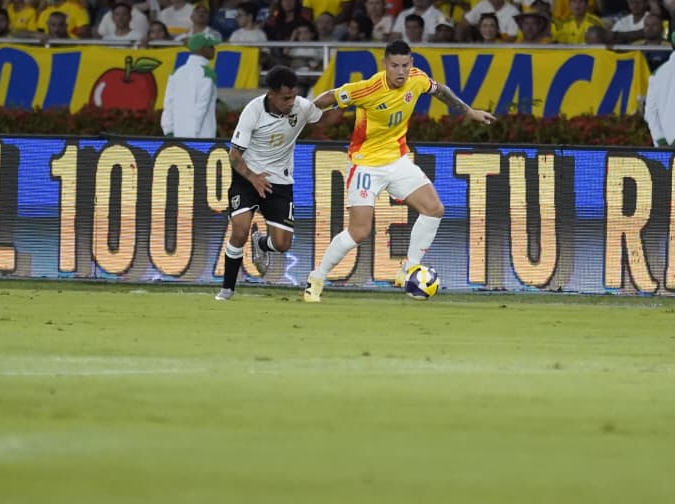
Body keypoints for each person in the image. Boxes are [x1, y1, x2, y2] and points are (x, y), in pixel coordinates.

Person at [303, 40, 496, 302]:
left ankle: (409, 269)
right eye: (394, 65)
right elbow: (331, 97)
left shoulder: (417, 79)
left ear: (412, 64)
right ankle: (317, 277)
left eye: (405, 65)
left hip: (397, 159)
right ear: (385, 65)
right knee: (359, 232)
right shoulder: (368, 88)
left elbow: (441, 90)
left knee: (434, 208)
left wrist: (469, 111)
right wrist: (304, 114)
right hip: (366, 165)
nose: (400, 71)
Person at [218, 66, 333, 301]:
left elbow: (323, 117)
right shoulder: (253, 111)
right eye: (285, 98)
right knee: (239, 230)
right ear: (271, 94)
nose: (291, 102)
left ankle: (260, 243)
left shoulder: (300, 106)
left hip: (279, 181)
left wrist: (350, 99)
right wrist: (253, 178)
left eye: (294, 96)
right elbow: (234, 155)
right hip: (247, 178)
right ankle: (227, 289)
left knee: (282, 244)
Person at [160, 32, 218, 139]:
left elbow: (168, 104)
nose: (214, 49)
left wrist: (168, 131)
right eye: (210, 46)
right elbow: (202, 107)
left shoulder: (176, 72)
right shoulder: (207, 74)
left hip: (177, 135)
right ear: (201, 49)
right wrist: (192, 137)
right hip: (202, 137)